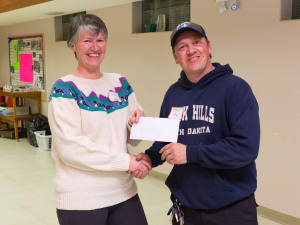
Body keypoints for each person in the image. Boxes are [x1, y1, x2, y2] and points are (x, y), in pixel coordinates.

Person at [136, 22, 260, 225]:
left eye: (196, 42)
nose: (191, 50)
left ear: (208, 47)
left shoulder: (236, 89)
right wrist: (149, 158)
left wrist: (191, 153)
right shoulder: (174, 93)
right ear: (176, 57)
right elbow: (166, 140)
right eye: (182, 47)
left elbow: (245, 148)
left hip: (230, 210)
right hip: (186, 209)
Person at [48, 14, 150, 225]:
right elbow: (72, 149)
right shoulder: (64, 89)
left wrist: (134, 124)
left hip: (124, 191)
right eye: (87, 40)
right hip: (82, 199)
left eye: (100, 40)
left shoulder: (120, 83)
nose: (95, 47)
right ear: (72, 46)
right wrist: (127, 162)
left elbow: (131, 137)